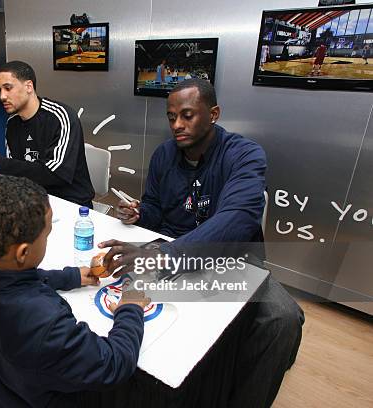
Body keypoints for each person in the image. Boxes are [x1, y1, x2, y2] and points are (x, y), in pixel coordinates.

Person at [99, 79, 304, 408]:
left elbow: (238, 219)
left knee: (283, 318)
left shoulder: (244, 154)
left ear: (213, 114)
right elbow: (155, 208)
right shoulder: (164, 154)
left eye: (187, 115)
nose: (177, 124)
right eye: (171, 117)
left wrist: (163, 255)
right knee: (118, 303)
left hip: (231, 260)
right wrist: (140, 214)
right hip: (171, 248)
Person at [0, 174, 150, 407]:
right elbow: (113, 364)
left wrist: (71, 276)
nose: (48, 237)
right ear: (22, 253)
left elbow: (24, 279)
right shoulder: (46, 326)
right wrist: (130, 308)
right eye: (47, 234)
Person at [0, 61, 95, 208]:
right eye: (0, 90)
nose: (2, 96)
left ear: (28, 87)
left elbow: (56, 175)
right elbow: (15, 172)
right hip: (32, 201)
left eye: (8, 88)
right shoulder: (12, 123)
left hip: (70, 204)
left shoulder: (61, 116)